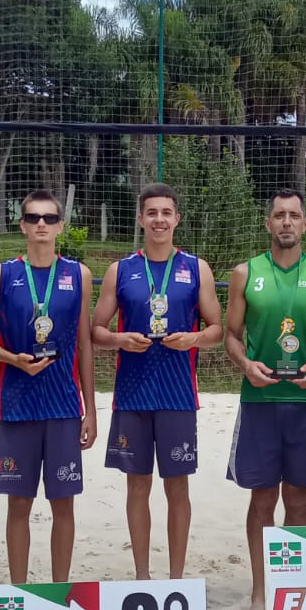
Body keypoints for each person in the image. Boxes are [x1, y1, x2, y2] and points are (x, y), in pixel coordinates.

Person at [90, 183, 224, 579]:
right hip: (132, 397)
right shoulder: (121, 270)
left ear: (177, 219)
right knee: (137, 487)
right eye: (152, 213)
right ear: (140, 219)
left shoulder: (196, 268)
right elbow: (95, 331)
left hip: (178, 397)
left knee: (178, 489)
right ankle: (143, 575)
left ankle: (176, 579)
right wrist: (119, 339)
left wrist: (194, 338)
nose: (159, 220)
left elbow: (218, 329)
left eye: (166, 213)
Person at [225, 188, 306, 610]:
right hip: (260, 400)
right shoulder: (245, 273)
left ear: (305, 224)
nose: (287, 222)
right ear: (268, 223)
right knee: (262, 498)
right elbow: (231, 335)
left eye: (294, 215)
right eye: (279, 215)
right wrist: (245, 363)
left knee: (299, 498)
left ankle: (296, 586)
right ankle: (260, 593)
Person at [0, 190, 98, 584]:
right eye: (33, 217)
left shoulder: (78, 274)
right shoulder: (2, 274)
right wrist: (13, 360)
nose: (41, 224)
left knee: (64, 506)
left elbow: (84, 345)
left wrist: (90, 409)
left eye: (49, 217)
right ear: (22, 225)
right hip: (18, 406)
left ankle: (60, 589)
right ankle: (21, 589)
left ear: (61, 225)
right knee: (18, 505)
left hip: (63, 408)